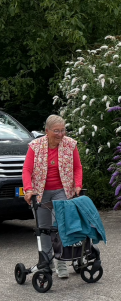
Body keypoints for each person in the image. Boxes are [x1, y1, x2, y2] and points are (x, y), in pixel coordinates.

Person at [22, 115, 83, 279]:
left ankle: (60, 260)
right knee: (44, 227)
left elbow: (77, 167)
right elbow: (27, 170)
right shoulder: (35, 146)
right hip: (40, 192)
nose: (60, 134)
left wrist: (78, 184)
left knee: (59, 225)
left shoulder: (70, 144)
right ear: (46, 131)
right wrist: (28, 189)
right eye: (56, 131)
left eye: (63, 130)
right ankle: (46, 260)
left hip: (61, 190)